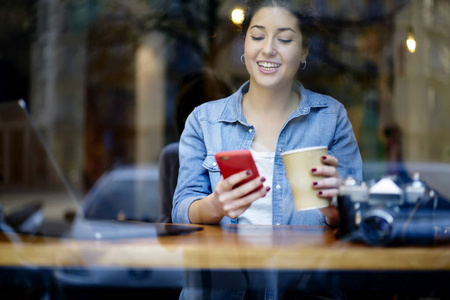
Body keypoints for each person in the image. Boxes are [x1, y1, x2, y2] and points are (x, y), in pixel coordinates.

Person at [172, 0, 362, 228]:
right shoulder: (204, 121)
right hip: (229, 263)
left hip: (306, 261)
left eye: (284, 39)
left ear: (304, 51)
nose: (268, 49)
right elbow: (181, 211)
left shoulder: (331, 117)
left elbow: (358, 216)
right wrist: (214, 205)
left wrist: (338, 209)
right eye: (257, 37)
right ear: (244, 44)